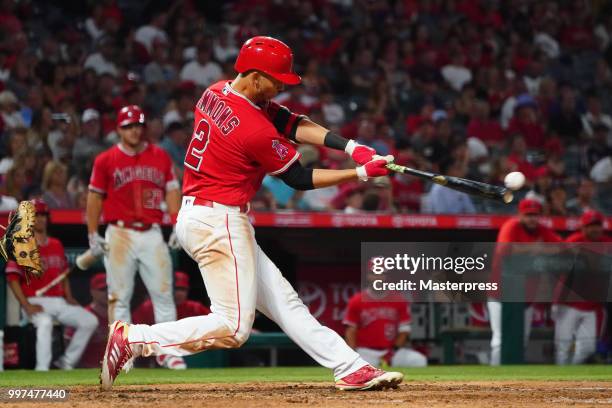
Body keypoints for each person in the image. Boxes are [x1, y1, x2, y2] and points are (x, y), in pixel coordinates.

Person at [100, 36, 402, 391]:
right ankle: (133, 339)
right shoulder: (252, 129)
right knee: (233, 326)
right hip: (219, 220)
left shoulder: (216, 91)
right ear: (255, 75)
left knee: (286, 304)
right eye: (275, 80)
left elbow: (291, 123)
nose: (279, 88)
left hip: (205, 214)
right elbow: (299, 178)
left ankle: (349, 366)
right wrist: (360, 174)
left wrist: (353, 148)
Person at [86, 105, 182, 366]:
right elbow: (94, 197)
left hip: (151, 233)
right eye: (128, 126)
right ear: (118, 129)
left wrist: (176, 224)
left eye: (138, 125)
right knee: (119, 297)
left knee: (163, 295)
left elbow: (172, 191)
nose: (134, 130)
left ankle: (168, 352)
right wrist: (93, 233)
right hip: (119, 233)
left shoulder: (160, 156)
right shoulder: (105, 159)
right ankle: (122, 354)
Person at [6, 199, 98, 370]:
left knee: (89, 320)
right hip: (35, 301)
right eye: (36, 215)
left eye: (43, 215)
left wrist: (68, 296)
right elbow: (12, 279)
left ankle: (66, 362)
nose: (40, 219)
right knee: (45, 323)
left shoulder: (56, 244)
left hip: (59, 301)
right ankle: (42, 370)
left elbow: (63, 275)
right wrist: (26, 305)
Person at [487, 199, 561, 365]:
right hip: (500, 296)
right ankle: (492, 382)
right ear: (520, 215)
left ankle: (514, 384)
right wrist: (535, 248)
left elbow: (561, 247)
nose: (532, 219)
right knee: (500, 340)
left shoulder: (542, 230)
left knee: (522, 341)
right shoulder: (511, 226)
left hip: (526, 297)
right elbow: (504, 249)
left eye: (535, 215)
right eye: (528, 215)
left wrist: (532, 249)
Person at [554, 210, 611, 364]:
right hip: (568, 304)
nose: (595, 229)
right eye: (590, 226)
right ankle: (558, 382)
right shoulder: (574, 240)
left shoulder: (606, 243)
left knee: (587, 348)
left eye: (597, 225)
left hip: (593, 307)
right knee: (562, 346)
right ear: (583, 228)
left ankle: (572, 380)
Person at [132, 271, 211, 369]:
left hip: (187, 353)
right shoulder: (148, 307)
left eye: (182, 289)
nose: (179, 293)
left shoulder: (195, 308)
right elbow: (135, 333)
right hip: (152, 355)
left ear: (188, 291)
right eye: (176, 289)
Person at [344, 290, 427, 368]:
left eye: (381, 274)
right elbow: (351, 330)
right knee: (354, 365)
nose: (378, 277)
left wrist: (391, 353)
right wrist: (353, 354)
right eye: (374, 274)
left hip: (392, 351)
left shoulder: (398, 299)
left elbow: (404, 330)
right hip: (365, 352)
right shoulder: (357, 299)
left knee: (418, 360)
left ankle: (409, 382)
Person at [64, 273, 109, 368]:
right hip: (86, 369)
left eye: (110, 289)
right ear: (92, 291)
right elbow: (67, 344)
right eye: (102, 289)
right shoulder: (83, 316)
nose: (107, 293)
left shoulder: (120, 315)